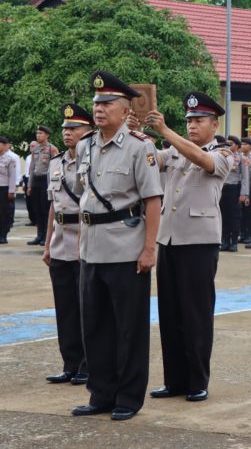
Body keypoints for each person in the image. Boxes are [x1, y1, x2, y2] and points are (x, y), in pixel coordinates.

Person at [71, 70, 162, 421]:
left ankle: (128, 397)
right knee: (95, 327)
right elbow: (83, 198)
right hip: (91, 249)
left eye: (107, 103)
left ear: (125, 110)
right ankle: (101, 394)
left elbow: (152, 201)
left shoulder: (140, 147)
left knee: (129, 329)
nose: (99, 109)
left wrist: (149, 248)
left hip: (126, 249)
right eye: (97, 103)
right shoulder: (85, 146)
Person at [136, 91, 234, 404]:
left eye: (199, 120)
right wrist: (134, 134)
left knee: (196, 314)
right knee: (170, 313)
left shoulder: (223, 153)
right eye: (189, 120)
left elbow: (203, 161)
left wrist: (165, 131)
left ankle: (197, 380)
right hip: (169, 238)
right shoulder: (174, 150)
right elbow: (151, 161)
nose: (192, 125)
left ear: (214, 124)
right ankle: (174, 380)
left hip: (199, 242)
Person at [42, 104, 93, 385]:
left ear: (89, 132)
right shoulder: (56, 163)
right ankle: (70, 364)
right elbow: (54, 206)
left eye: (74, 128)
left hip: (86, 239)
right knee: (65, 308)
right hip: (61, 241)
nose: (67, 133)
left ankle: (88, 364)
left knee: (87, 309)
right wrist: (48, 244)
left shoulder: (93, 161)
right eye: (65, 128)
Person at [27, 125, 59, 245]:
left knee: (46, 209)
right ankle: (39, 235)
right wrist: (29, 185)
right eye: (37, 133)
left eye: (40, 133)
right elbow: (32, 168)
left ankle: (46, 236)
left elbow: (56, 168)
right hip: (36, 180)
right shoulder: (35, 149)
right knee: (37, 209)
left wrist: (53, 185)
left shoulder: (52, 149)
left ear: (47, 135)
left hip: (46, 181)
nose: (38, 135)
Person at [220, 135, 249, 252]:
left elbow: (245, 177)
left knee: (234, 217)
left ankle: (234, 243)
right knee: (223, 216)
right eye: (227, 143)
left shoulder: (242, 158)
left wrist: (244, 194)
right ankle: (224, 241)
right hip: (222, 188)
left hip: (234, 189)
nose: (228, 145)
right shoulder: (222, 156)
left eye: (231, 143)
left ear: (237, 146)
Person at [239, 137, 251, 244]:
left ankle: (248, 235)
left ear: (250, 146)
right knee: (239, 214)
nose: (243, 146)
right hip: (238, 188)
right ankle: (242, 234)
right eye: (242, 144)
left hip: (250, 188)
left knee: (249, 213)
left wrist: (247, 193)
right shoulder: (238, 157)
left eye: (245, 144)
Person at [0, 136, 17, 244]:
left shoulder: (10, 159)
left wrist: (11, 191)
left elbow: (12, 176)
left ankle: (3, 235)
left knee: (4, 212)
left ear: (5, 145)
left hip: (4, 188)